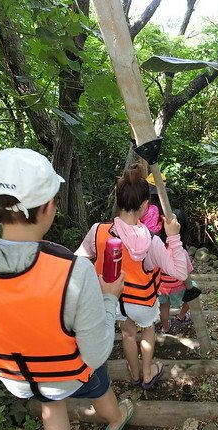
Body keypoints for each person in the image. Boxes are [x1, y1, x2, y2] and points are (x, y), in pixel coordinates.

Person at [0, 148, 133, 430]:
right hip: (69, 372)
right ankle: (117, 419)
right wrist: (108, 298)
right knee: (98, 386)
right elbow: (97, 352)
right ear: (49, 207)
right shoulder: (73, 271)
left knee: (50, 401)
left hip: (19, 380)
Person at [76, 164, 189, 390]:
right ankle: (147, 374)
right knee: (147, 330)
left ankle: (135, 373)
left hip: (113, 301)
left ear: (118, 201)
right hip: (142, 302)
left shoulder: (97, 230)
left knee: (127, 334)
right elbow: (180, 272)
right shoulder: (152, 241)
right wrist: (174, 237)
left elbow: (78, 259)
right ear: (145, 205)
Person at [139, 174, 200, 334]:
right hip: (178, 286)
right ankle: (181, 315)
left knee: (164, 305)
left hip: (161, 286)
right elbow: (186, 272)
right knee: (194, 290)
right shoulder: (181, 252)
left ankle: (165, 327)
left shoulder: (144, 209)